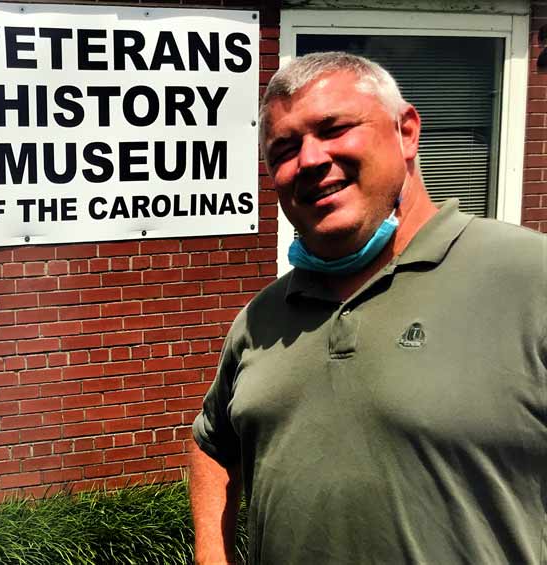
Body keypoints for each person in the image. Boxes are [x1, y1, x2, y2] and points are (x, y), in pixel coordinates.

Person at [189, 52, 547, 564]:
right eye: (284, 149)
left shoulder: (531, 278)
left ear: (406, 132)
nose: (309, 160)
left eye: (334, 129)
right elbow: (212, 443)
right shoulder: (261, 319)